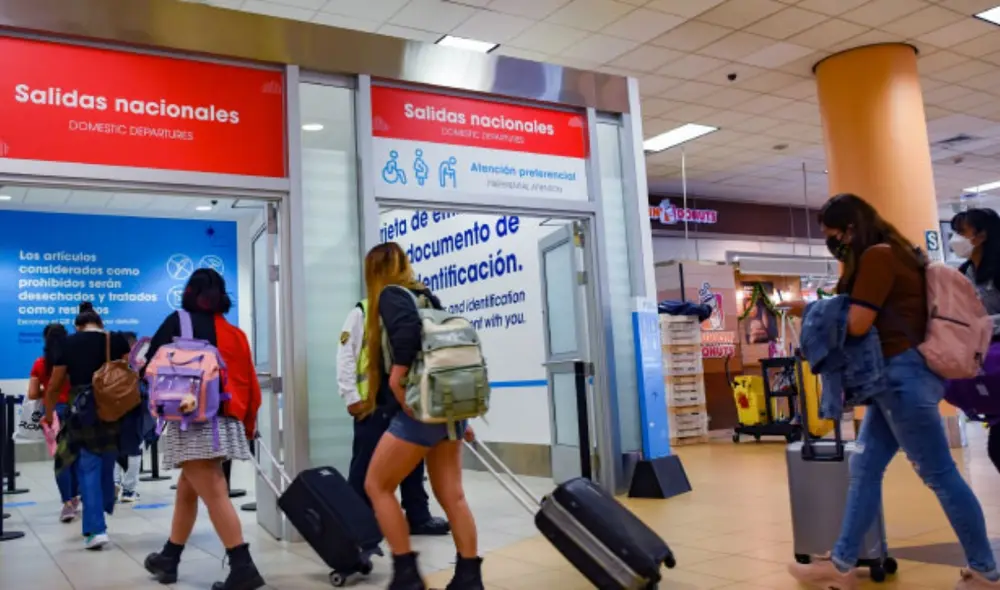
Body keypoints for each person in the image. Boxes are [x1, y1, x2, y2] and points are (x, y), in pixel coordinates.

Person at [788, 194, 1000, 590]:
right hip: (898, 378)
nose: (832, 243)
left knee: (940, 475)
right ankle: (841, 564)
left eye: (833, 235)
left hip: (899, 377)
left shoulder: (878, 257)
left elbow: (857, 323)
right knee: (865, 470)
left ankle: (986, 572)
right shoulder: (900, 254)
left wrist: (818, 311)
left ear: (850, 229)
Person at [359, 242, 482, 590]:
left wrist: (398, 381)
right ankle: (469, 577)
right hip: (447, 410)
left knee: (377, 485)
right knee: (453, 495)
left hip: (419, 409)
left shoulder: (391, 296)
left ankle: (407, 573)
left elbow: (406, 335)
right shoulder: (427, 296)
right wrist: (463, 420)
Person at [142, 268, 264, 590]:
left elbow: (148, 367)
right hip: (229, 423)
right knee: (188, 489)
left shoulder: (178, 322)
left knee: (213, 492)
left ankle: (243, 567)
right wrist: (248, 426)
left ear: (189, 292)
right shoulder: (236, 335)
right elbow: (251, 386)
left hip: (191, 421)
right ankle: (170, 557)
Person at [337, 298, 450, 537]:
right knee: (364, 465)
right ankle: (357, 525)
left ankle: (419, 517)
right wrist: (350, 396)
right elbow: (345, 354)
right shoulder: (362, 311)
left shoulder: (412, 307)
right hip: (372, 402)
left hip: (405, 396)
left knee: (412, 462)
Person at [42, 303, 130, 550]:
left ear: (78, 326)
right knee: (108, 463)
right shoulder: (117, 339)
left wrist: (49, 414)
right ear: (100, 324)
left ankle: (97, 528)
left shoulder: (69, 343)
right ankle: (100, 513)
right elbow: (129, 374)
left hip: (84, 410)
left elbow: (55, 384)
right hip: (114, 409)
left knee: (88, 466)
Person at [950, 209, 1000, 476]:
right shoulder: (963, 273)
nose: (956, 238)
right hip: (987, 363)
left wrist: (985, 324)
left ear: (982, 235)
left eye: (962, 232)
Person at [28, 322, 77, 523]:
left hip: (54, 413)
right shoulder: (74, 360)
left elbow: (32, 393)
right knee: (80, 457)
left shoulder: (40, 363)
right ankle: (77, 496)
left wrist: (47, 391)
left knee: (61, 459)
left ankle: (67, 503)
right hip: (77, 410)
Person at [114, 331, 142, 503]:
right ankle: (129, 490)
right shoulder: (137, 366)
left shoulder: (109, 366)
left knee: (114, 448)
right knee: (134, 450)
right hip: (133, 411)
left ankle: (114, 483)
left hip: (112, 412)